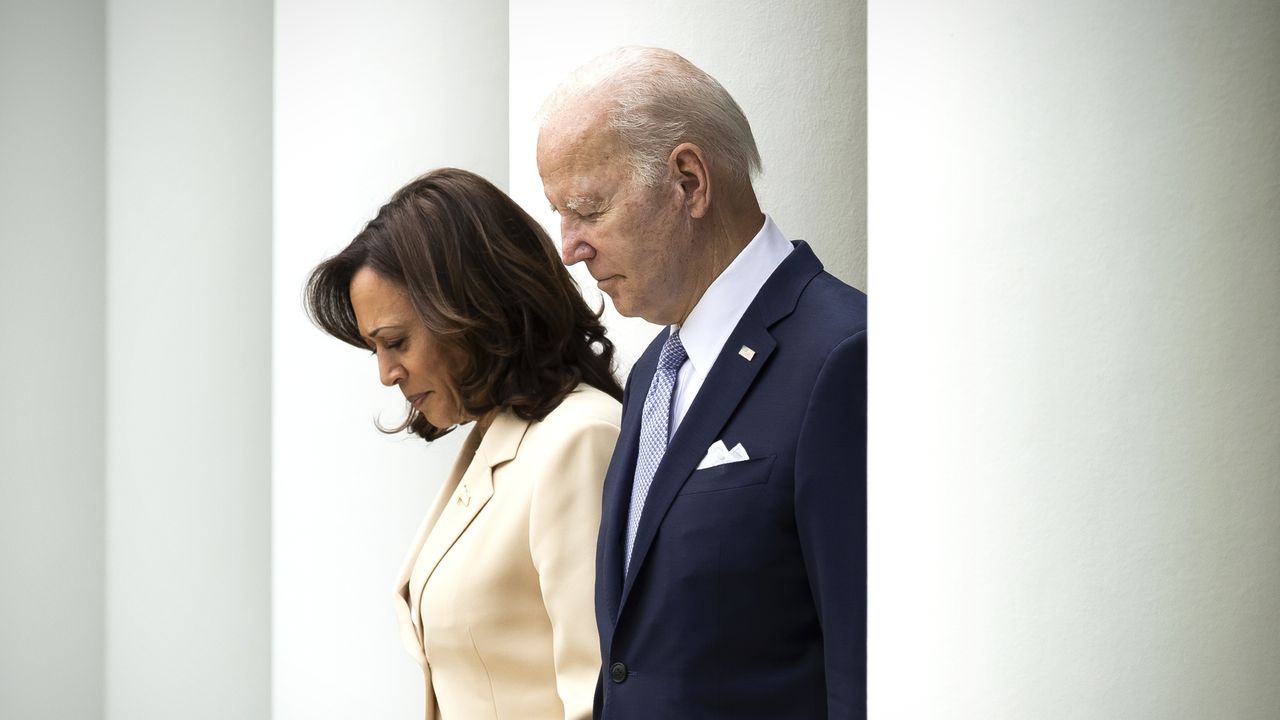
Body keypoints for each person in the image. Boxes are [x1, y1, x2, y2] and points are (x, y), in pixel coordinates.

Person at [537, 47, 868, 719]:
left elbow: (861, 667)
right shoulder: (653, 377)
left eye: (588, 209)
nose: (569, 247)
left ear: (688, 181)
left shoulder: (843, 355)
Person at [305, 168, 623, 720]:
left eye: (396, 342)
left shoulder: (579, 440)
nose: (386, 374)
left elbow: (598, 695)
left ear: (473, 308)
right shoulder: (498, 437)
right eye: (375, 350)